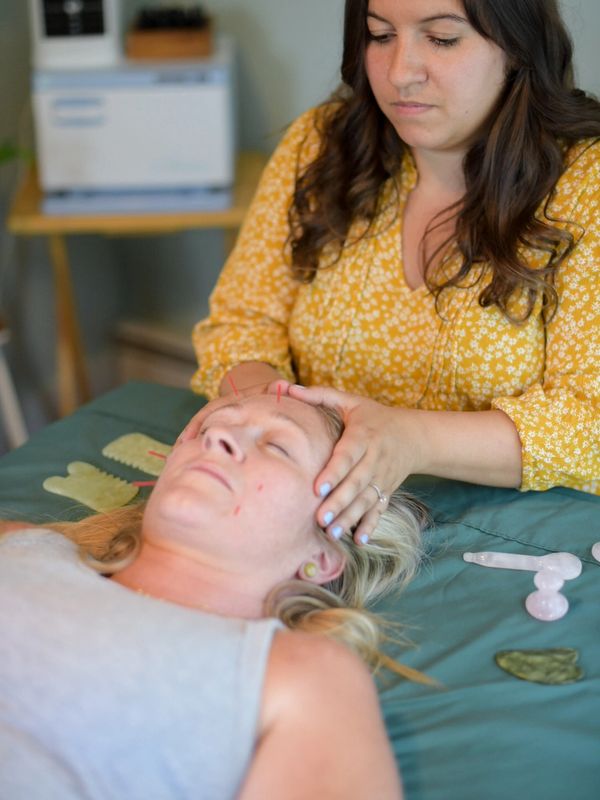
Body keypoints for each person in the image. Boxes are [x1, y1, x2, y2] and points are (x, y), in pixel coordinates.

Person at [189, 0, 600, 548]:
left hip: (518, 541)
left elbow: (591, 423)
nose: (400, 72)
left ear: (518, 48)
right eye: (380, 36)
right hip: (320, 513)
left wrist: (410, 439)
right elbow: (241, 322)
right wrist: (270, 412)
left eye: (443, 39)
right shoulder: (321, 147)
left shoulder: (585, 185)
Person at [0, 393, 428, 800]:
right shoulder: (26, 544)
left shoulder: (299, 672)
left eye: (278, 446)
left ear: (323, 555)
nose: (215, 437)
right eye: (212, 425)